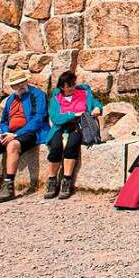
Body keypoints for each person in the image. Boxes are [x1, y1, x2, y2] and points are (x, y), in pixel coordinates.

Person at [0, 71, 49, 203]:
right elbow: (4, 120)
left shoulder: (37, 95)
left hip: (31, 133)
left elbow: (39, 118)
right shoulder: (11, 99)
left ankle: (9, 186)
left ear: (26, 81)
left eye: (21, 83)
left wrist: (16, 134)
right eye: (16, 84)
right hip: (10, 133)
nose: (19, 86)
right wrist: (4, 132)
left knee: (13, 145)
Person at [44, 71, 102, 201]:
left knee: (72, 145)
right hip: (60, 128)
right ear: (62, 87)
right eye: (68, 86)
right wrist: (73, 114)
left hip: (77, 127)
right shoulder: (55, 99)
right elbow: (56, 118)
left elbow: (96, 103)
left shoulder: (84, 94)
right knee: (56, 147)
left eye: (73, 85)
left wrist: (97, 108)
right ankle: (52, 180)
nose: (71, 88)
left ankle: (67, 181)